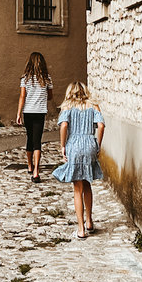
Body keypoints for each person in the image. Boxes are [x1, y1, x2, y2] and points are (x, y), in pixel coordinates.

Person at [52, 82, 104, 238]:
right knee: (87, 183)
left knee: (77, 188)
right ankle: (89, 221)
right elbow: (101, 126)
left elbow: (64, 125)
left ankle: (81, 229)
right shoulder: (93, 105)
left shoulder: (67, 106)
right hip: (89, 144)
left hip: (74, 144)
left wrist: (62, 146)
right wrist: (98, 145)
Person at [16, 52, 53, 182]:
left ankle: (30, 165)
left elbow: (22, 96)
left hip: (28, 112)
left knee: (29, 138)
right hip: (40, 112)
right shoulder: (47, 78)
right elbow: (50, 96)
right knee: (37, 141)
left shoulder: (25, 79)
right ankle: (36, 171)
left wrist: (18, 113)